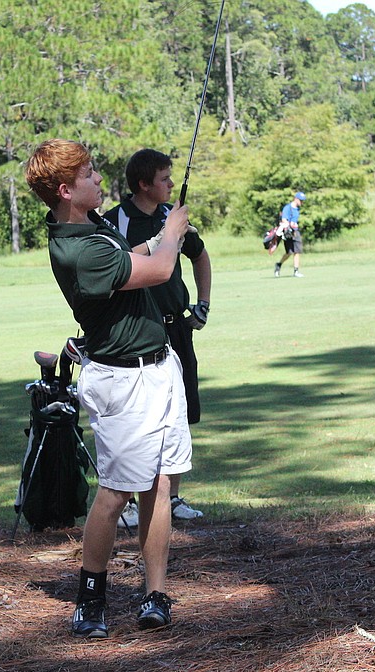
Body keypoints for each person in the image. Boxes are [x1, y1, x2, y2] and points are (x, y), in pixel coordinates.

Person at [25, 139, 193, 639]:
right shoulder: (78, 248)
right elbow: (160, 269)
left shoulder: (90, 226)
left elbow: (131, 256)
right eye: (90, 175)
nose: (100, 181)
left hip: (160, 368)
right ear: (65, 189)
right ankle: (90, 600)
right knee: (118, 491)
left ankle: (154, 594)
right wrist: (172, 232)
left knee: (161, 483)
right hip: (124, 382)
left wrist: (155, 238)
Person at [103, 149, 210, 528]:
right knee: (135, 418)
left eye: (170, 178)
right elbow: (116, 266)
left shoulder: (173, 217)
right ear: (144, 184)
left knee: (179, 412)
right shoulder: (113, 220)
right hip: (136, 332)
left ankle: (174, 496)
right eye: (164, 179)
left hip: (176, 327)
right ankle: (128, 503)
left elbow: (199, 255)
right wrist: (160, 240)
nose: (170, 184)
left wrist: (203, 303)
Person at [274, 191, 306, 278]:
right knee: (289, 252)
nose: (302, 202)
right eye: (300, 200)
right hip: (288, 232)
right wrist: (288, 226)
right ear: (296, 199)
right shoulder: (288, 208)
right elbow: (284, 219)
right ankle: (278, 264)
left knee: (297, 251)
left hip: (295, 232)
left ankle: (296, 271)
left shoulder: (297, 209)